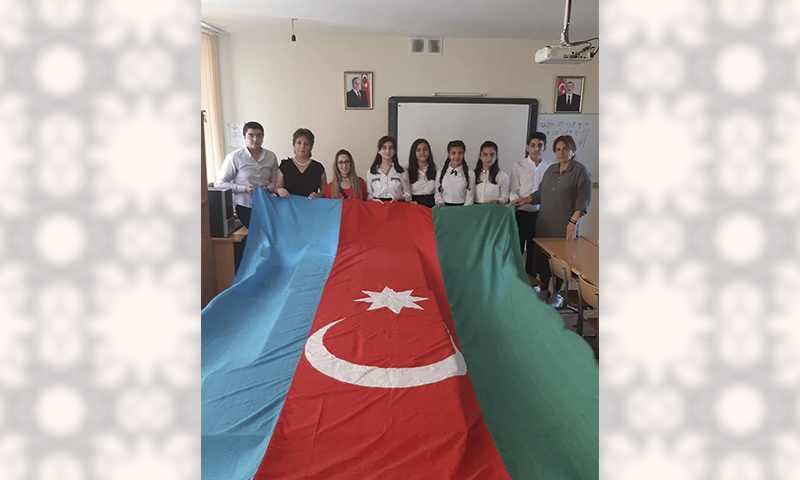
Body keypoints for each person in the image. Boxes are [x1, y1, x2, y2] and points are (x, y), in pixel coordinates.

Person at [512, 135, 592, 307]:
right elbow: (539, 195)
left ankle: (557, 293)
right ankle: (544, 290)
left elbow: (583, 201)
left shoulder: (580, 171)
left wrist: (573, 222)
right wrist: (525, 200)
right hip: (544, 225)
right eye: (558, 149)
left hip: (564, 227)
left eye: (565, 149)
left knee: (560, 263)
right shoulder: (551, 170)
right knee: (541, 260)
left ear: (573, 150)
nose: (561, 153)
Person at [215, 121, 278, 228]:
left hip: (267, 204)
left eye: (259, 136)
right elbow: (221, 184)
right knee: (254, 233)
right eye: (251, 136)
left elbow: (275, 182)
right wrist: (244, 189)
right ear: (244, 137)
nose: (255, 139)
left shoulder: (271, 156)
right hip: (244, 206)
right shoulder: (234, 157)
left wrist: (267, 188)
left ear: (263, 137)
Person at [509, 132, 554, 278]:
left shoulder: (550, 168)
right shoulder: (518, 166)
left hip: (540, 215)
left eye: (540, 146)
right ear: (527, 147)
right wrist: (515, 201)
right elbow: (514, 189)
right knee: (517, 249)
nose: (536, 149)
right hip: (521, 213)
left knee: (535, 252)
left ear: (545, 148)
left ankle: (532, 280)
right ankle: (516, 280)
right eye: (533, 145)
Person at [276, 128, 327, 198]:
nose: (302, 147)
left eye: (306, 144)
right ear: (294, 145)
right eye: (299, 143)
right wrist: (279, 190)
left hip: (311, 204)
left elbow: (324, 190)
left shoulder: (318, 168)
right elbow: (277, 187)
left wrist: (317, 195)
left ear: (311, 147)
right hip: (288, 204)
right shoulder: (284, 166)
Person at [366, 136, 411, 203]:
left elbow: (408, 194)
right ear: (379, 151)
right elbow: (368, 195)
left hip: (396, 205)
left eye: (391, 148)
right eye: (384, 148)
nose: (387, 151)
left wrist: (401, 198)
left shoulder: (402, 171)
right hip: (377, 206)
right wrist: (373, 200)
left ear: (395, 151)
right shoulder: (371, 172)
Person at [435, 140, 475, 207]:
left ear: (463, 154)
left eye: (460, 153)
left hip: (463, 209)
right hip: (445, 208)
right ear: (449, 155)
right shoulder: (440, 173)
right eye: (453, 153)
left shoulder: (470, 174)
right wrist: (439, 202)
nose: (457, 156)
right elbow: (437, 193)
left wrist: (462, 211)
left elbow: (470, 198)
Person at [472, 141, 509, 205]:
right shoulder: (473, 174)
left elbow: (506, 197)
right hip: (475, 208)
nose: (489, 158)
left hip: (493, 208)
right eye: (485, 155)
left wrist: (498, 201)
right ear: (480, 156)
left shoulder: (502, 176)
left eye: (492, 155)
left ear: (496, 156)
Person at [406, 138, 437, 207]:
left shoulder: (437, 169)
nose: (422, 152)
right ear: (414, 153)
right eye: (418, 150)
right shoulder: (407, 171)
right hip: (415, 206)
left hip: (433, 205)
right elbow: (405, 193)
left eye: (425, 149)